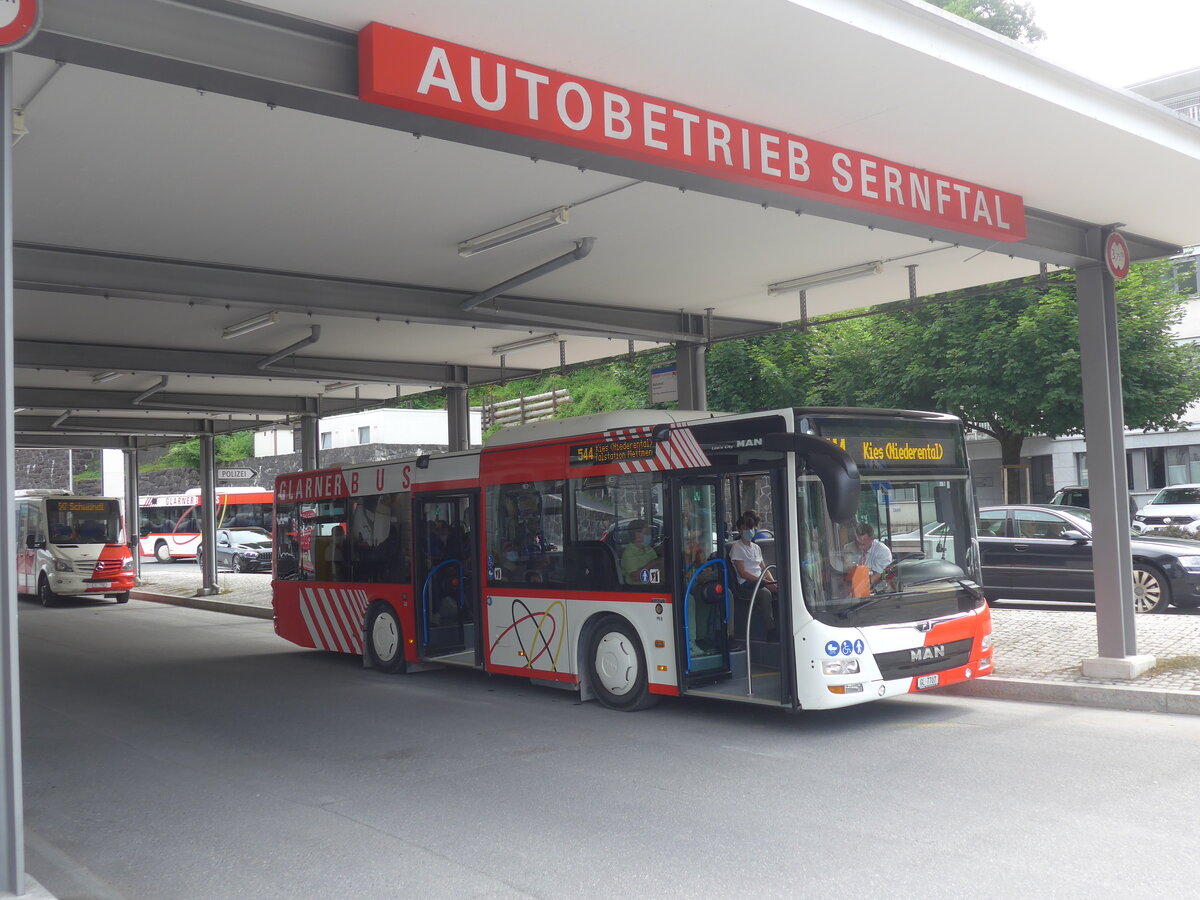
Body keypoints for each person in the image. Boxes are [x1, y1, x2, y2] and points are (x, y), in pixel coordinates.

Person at [729, 511, 777, 640]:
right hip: (746, 584)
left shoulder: (756, 547)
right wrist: (765, 582)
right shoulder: (737, 547)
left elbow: (764, 568)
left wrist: (773, 582)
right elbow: (742, 572)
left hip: (760, 581)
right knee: (765, 594)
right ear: (740, 530)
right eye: (746, 528)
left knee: (778, 590)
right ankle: (770, 629)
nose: (750, 531)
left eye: (751, 528)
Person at [847, 523, 893, 594]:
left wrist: (858, 589)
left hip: (873, 591)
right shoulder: (849, 548)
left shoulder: (882, 551)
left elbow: (877, 576)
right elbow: (845, 572)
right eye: (858, 543)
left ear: (872, 539)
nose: (860, 547)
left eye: (863, 544)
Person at [621, 519, 662, 585]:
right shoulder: (628, 554)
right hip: (637, 591)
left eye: (650, 533)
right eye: (646, 533)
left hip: (652, 587)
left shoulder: (649, 549)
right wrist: (653, 563)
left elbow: (656, 570)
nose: (649, 535)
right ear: (636, 535)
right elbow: (635, 577)